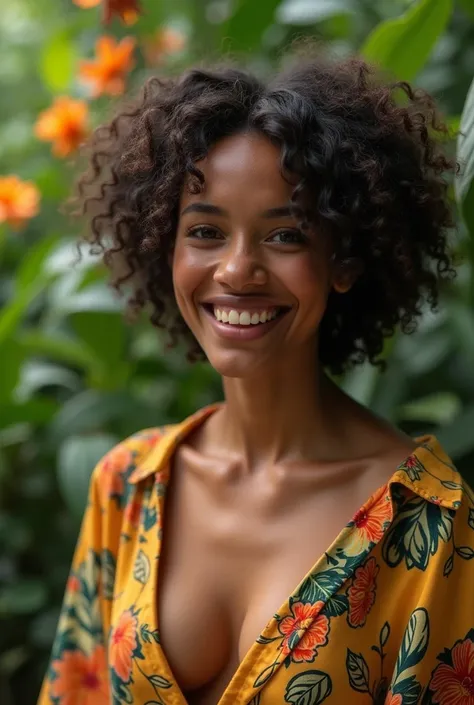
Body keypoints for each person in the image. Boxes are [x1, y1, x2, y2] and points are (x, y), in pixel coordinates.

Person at [38, 44, 474, 705]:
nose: (238, 271)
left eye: (285, 235)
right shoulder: (127, 486)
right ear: (167, 246)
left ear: (346, 259)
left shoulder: (428, 525)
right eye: (206, 231)